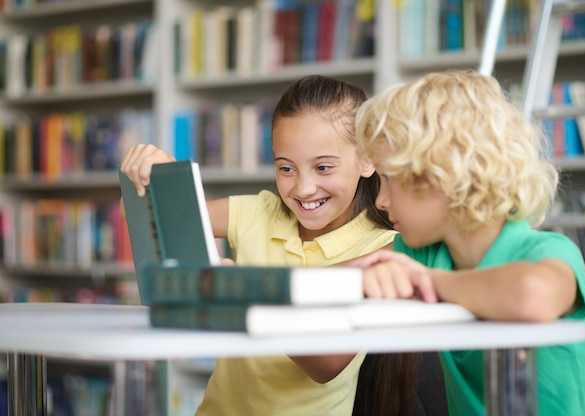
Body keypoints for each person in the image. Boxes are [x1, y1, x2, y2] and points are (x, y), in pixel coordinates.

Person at [120, 75, 418, 415]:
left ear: (367, 159)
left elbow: (327, 364)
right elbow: (142, 214)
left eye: (323, 167)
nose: (304, 189)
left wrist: (241, 295)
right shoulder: (258, 212)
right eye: (286, 168)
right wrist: (152, 173)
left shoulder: (386, 248)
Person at [349, 69, 585, 416]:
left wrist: (428, 283)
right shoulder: (427, 253)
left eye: (389, 178)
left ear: (444, 174)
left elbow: (530, 298)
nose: (381, 200)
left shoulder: (549, 252)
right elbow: (333, 278)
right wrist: (365, 277)